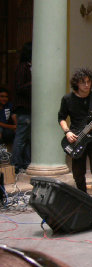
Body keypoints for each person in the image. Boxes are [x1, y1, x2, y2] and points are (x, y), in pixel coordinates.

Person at [58, 68, 92, 204]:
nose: (86, 85)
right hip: (75, 136)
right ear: (76, 84)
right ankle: (82, 197)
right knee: (78, 171)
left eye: (89, 82)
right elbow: (61, 117)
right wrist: (67, 132)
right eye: (83, 82)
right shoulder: (67, 99)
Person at [11, 42, 32, 174]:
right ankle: (16, 164)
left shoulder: (27, 67)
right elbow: (19, 87)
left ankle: (25, 163)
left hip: (28, 108)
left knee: (27, 138)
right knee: (21, 137)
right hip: (23, 107)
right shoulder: (23, 67)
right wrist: (34, 81)